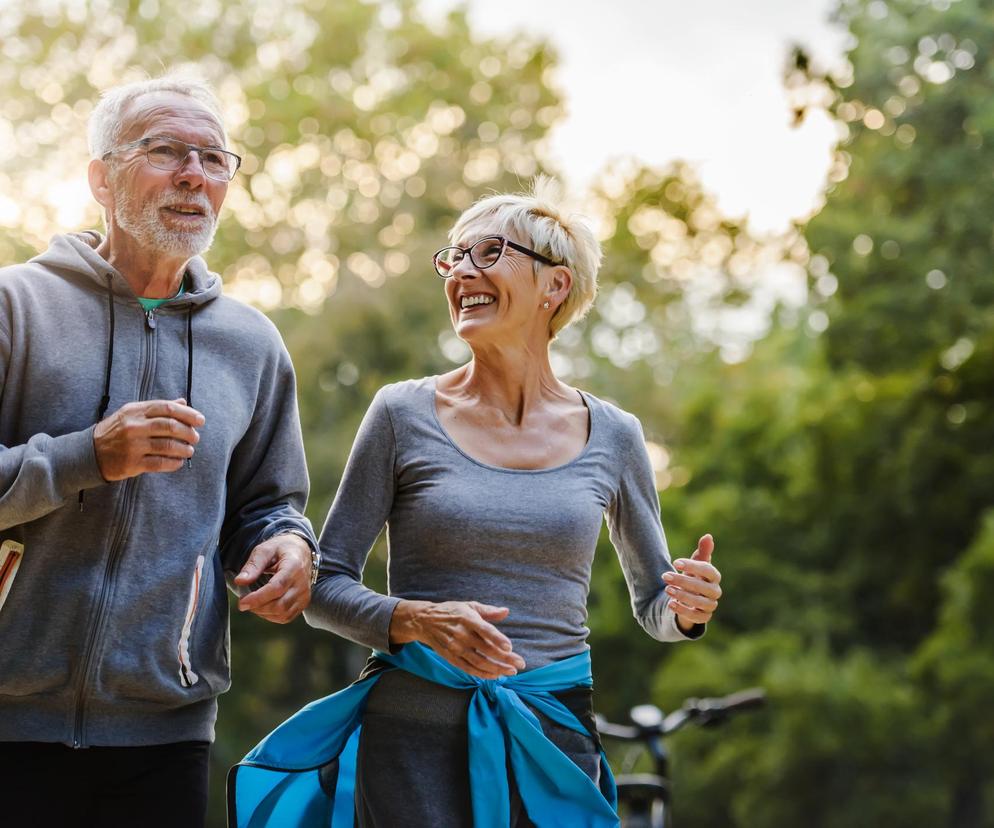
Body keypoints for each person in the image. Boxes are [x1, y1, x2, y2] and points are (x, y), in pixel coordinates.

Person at [228, 179, 722, 828]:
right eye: (453, 257)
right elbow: (322, 585)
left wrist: (688, 608)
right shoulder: (401, 414)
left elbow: (654, 606)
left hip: (553, 734)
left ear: (556, 285)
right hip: (412, 737)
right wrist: (417, 619)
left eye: (489, 252)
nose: (463, 271)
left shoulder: (616, 435)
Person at [0, 73, 319, 828]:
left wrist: (288, 545)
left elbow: (271, 503)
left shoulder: (251, 344)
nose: (193, 175)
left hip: (165, 732)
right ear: (101, 179)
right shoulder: (17, 308)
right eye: (166, 150)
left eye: (214, 159)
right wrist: (87, 457)